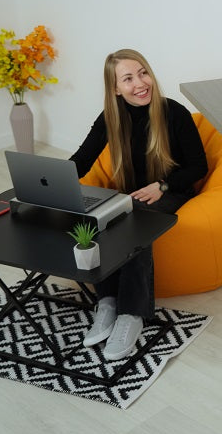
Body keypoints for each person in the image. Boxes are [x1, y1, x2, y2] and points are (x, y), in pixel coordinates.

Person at [70, 49, 208, 361]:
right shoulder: (110, 117)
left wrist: (162, 186)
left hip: (171, 192)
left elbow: (198, 167)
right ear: (115, 89)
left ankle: (131, 315)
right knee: (99, 219)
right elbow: (82, 160)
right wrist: (52, 182)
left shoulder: (174, 112)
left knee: (134, 226)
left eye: (143, 73)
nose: (140, 83)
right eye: (128, 79)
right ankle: (106, 303)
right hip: (132, 197)